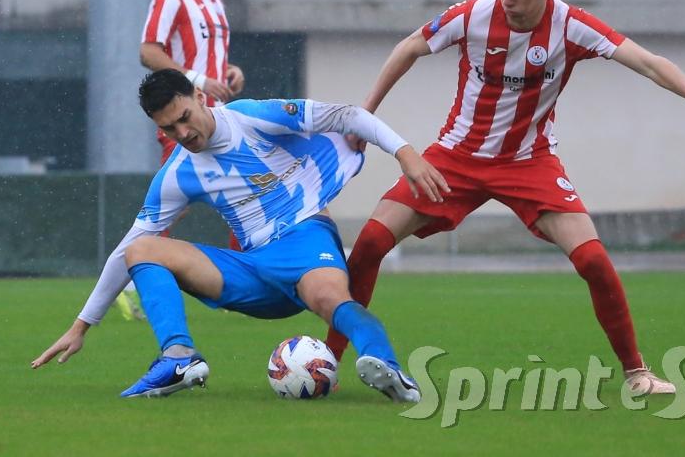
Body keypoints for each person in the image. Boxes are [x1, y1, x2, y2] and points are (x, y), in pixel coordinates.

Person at [324, 0, 685, 395]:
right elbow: (410, 47)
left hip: (530, 163)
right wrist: (364, 116)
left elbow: (648, 63)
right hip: (456, 158)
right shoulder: (472, 15)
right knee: (370, 243)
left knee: (593, 260)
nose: (507, 0)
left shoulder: (571, 26)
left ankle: (637, 374)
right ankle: (327, 362)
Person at [32, 68, 449, 401]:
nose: (182, 134)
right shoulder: (178, 173)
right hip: (251, 271)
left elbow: (348, 116)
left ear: (200, 97)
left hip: (304, 238)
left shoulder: (252, 116)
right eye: (169, 129)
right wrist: (81, 326)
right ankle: (178, 356)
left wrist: (405, 154)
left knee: (329, 298)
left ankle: (385, 365)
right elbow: (123, 252)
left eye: (184, 118)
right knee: (141, 250)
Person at [115, 0, 246, 320]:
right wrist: (198, 80)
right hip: (184, 121)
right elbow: (148, 52)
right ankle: (128, 280)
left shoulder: (216, 3)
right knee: (170, 206)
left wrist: (230, 72)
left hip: (215, 120)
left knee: (244, 190)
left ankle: (240, 285)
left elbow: (210, 59)